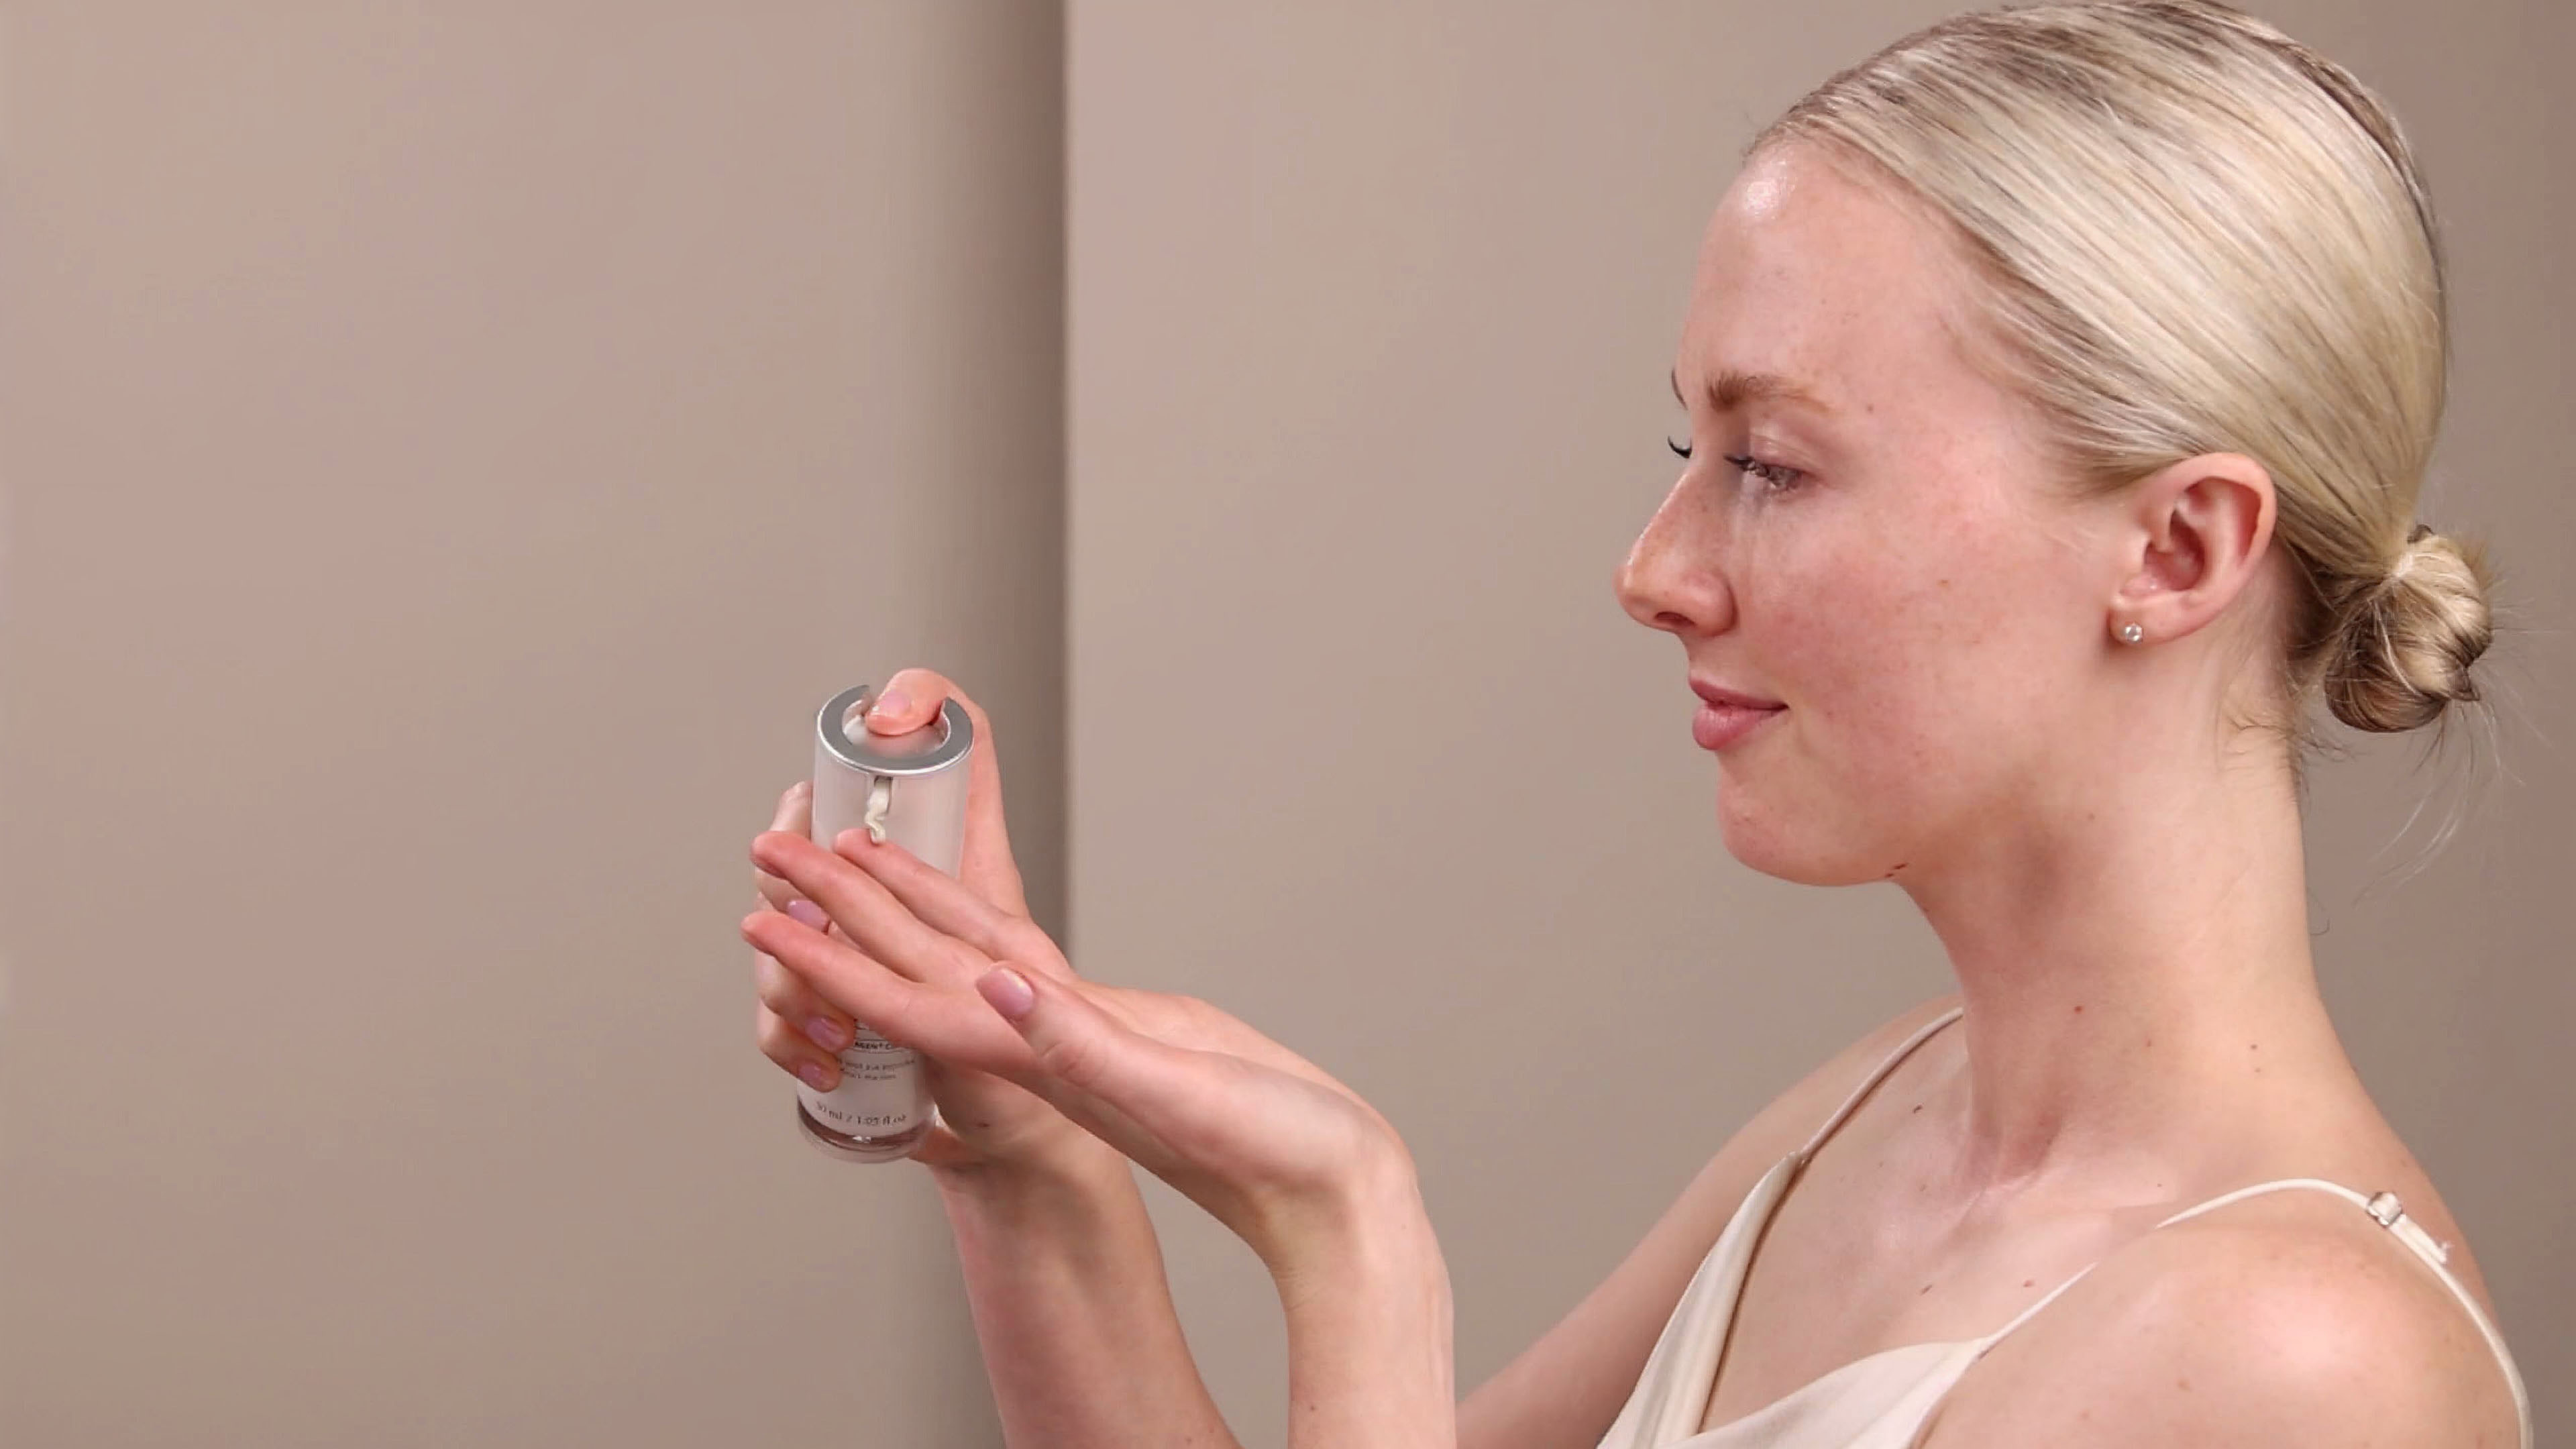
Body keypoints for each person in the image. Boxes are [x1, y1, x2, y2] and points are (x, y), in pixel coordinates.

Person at [739, 1, 2534, 1444]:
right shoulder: (1877, 1113)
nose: (1657, 571)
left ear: (2178, 545)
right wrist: (1035, 1162)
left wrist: (1352, 1242)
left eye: (1770, 463)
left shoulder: (2306, 1371)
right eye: (1690, 452)